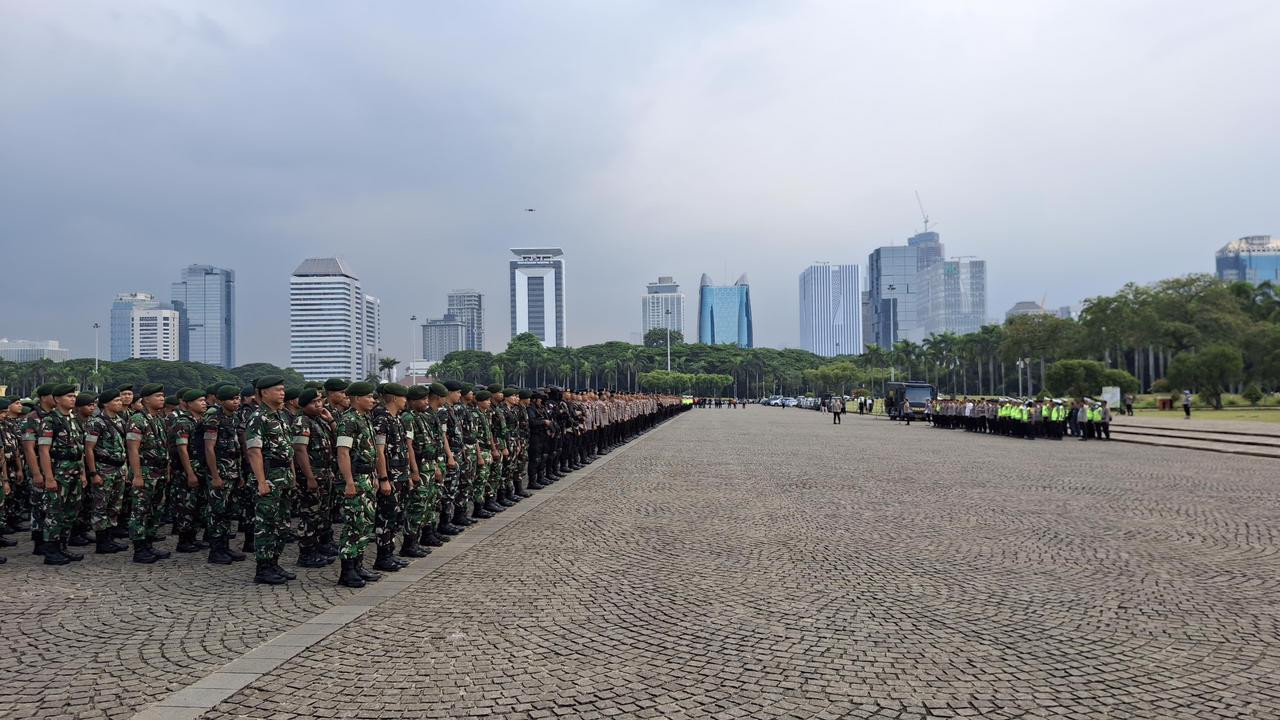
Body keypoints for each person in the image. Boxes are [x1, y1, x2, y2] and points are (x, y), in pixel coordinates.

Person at [244, 376, 296, 585]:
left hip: (283, 476)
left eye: (283, 389)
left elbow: (287, 449)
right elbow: (254, 451)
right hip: (269, 476)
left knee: (282, 524)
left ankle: (274, 563)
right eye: (278, 390)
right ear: (264, 393)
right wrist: (261, 481)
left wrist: (292, 474)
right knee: (266, 523)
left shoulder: (281, 415)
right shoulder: (258, 417)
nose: (282, 393)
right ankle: (263, 568)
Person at [126, 384, 171, 564]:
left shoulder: (158, 419)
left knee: (155, 510)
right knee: (140, 510)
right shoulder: (137, 419)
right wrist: (137, 475)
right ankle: (139, 549)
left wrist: (166, 471)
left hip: (158, 472)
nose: (162, 399)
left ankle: (149, 544)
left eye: (162, 395)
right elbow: (133, 449)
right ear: (146, 399)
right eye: (158, 396)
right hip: (144, 471)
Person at [203, 384, 247, 565]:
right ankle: (216, 550)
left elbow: (237, 447)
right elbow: (209, 448)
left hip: (233, 471)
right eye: (232, 399)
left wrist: (240, 474)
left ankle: (225, 546)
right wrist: (215, 475)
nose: (236, 402)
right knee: (217, 512)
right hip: (220, 471)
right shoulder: (214, 418)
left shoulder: (234, 417)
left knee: (228, 511)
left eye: (238, 398)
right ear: (221, 401)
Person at [83, 389, 129, 555]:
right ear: (106, 404)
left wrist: (126, 468)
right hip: (104, 468)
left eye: (120, 400)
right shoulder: (97, 422)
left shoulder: (120, 421)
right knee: (100, 506)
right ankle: (102, 542)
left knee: (115, 505)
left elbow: (123, 446)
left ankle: (110, 538)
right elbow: (89, 449)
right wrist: (93, 473)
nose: (120, 403)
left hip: (119, 468)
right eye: (116, 400)